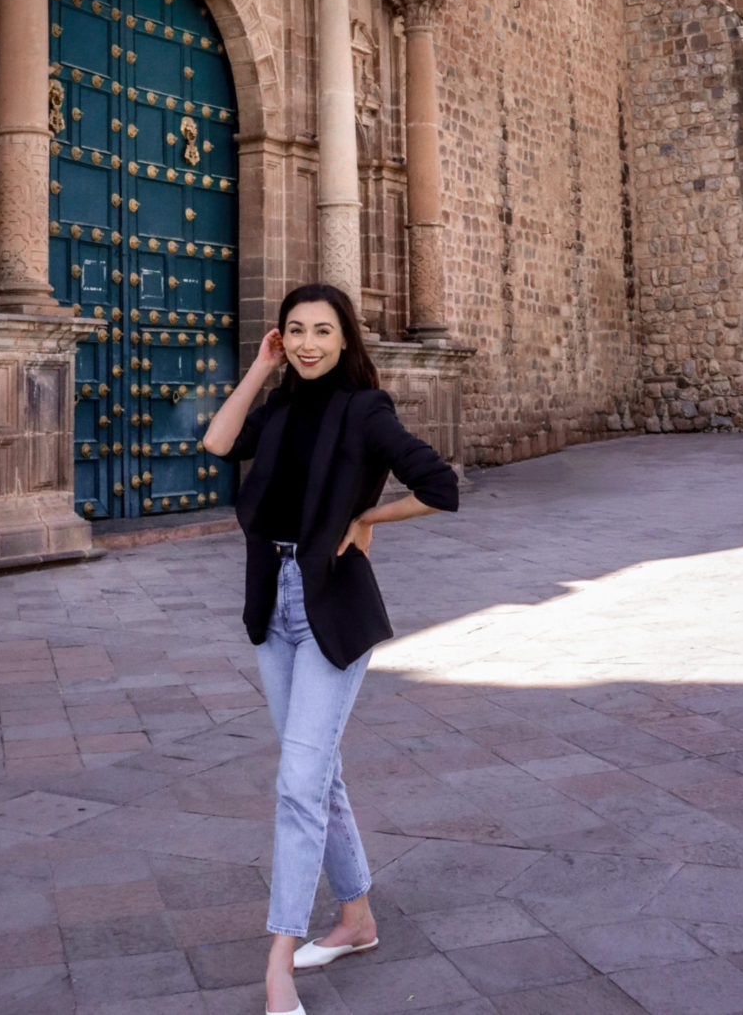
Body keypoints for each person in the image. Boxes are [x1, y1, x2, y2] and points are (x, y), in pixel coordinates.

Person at [203, 282, 459, 1015]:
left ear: (345, 338)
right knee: (318, 777)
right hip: (272, 605)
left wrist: (366, 515)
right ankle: (357, 920)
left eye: (322, 330)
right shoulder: (280, 405)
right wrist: (259, 369)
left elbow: (440, 486)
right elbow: (219, 442)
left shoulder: (364, 410)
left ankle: (278, 960)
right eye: (295, 331)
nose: (309, 343)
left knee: (297, 783)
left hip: (332, 608)